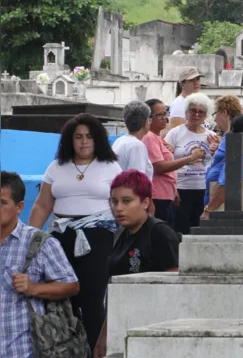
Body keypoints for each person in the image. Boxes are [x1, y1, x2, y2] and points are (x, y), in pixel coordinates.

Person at [29, 113, 123, 352]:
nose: (83, 142)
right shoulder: (56, 167)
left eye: (89, 137)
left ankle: (95, 349)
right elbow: (42, 205)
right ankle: (67, 350)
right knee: (64, 297)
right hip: (61, 238)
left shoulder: (110, 166)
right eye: (78, 136)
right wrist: (29, 238)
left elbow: (120, 203)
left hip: (98, 237)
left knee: (92, 297)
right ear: (70, 140)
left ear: (98, 139)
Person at [94, 170, 180, 358]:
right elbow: (115, 294)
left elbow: (175, 290)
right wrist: (104, 334)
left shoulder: (159, 234)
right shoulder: (120, 235)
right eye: (114, 201)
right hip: (123, 327)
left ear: (145, 202)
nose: (118, 208)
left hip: (154, 332)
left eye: (127, 201)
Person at [1, 171, 80, 358]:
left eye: (2, 203)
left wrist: (33, 288)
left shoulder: (39, 243)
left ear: (19, 207)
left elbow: (71, 285)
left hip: (23, 350)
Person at [143, 99, 204, 225]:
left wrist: (173, 189)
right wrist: (190, 158)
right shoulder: (149, 137)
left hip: (167, 194)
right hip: (157, 195)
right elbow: (159, 167)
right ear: (148, 118)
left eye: (166, 114)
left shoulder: (158, 138)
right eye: (159, 115)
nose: (165, 118)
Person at [165, 93, 216, 234]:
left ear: (206, 115)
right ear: (186, 112)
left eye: (201, 112)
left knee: (202, 232)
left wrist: (215, 150)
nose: (197, 115)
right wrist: (173, 187)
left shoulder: (211, 136)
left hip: (204, 190)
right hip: (181, 189)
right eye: (193, 110)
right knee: (180, 231)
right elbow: (167, 162)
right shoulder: (175, 133)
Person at [204, 95, 242, 207]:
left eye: (215, 114)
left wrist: (209, 209)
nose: (214, 119)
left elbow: (228, 177)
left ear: (224, 112)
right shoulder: (228, 136)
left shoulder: (233, 137)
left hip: (222, 204)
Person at [112, 100, 154, 180]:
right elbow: (137, 180)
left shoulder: (119, 141)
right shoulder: (136, 145)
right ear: (145, 122)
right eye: (149, 120)